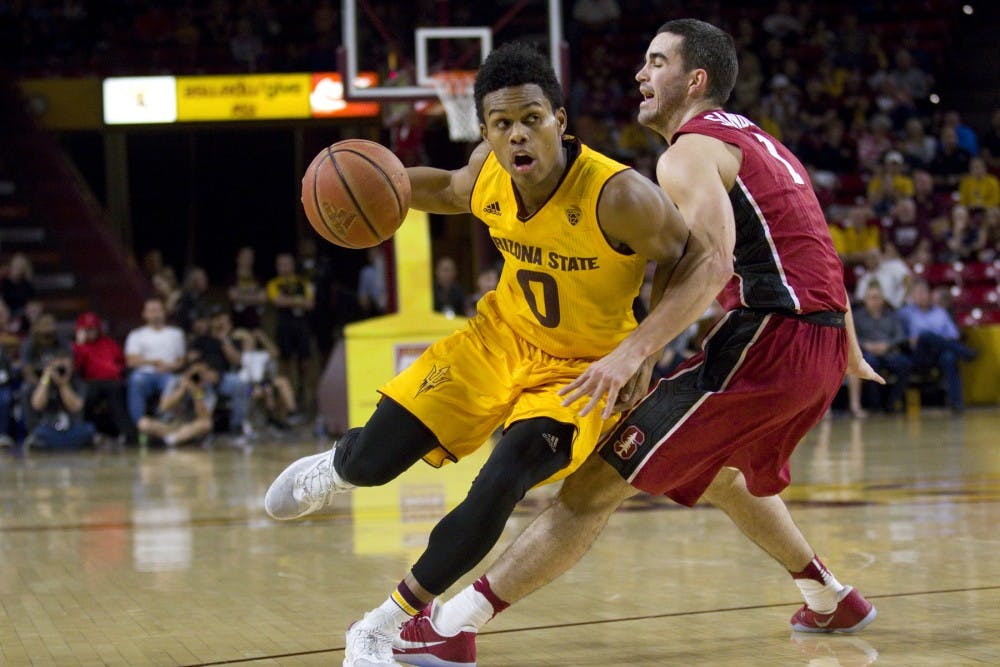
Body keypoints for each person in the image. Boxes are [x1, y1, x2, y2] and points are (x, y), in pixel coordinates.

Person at [391, 21, 883, 667]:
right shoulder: (755, 139)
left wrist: (629, 353)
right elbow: (812, 242)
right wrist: (843, 341)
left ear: (694, 80)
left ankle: (453, 624)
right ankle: (827, 596)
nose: (640, 77)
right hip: (804, 344)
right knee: (727, 478)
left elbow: (709, 263)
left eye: (656, 63)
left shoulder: (688, 151)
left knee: (591, 487)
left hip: (771, 340)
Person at [264, 42, 689, 667]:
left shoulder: (619, 196)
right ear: (485, 130)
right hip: (497, 341)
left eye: (532, 120)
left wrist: (642, 353)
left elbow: (686, 258)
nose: (517, 136)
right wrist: (374, 191)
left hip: (580, 372)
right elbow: (451, 189)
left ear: (560, 121)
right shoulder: (489, 170)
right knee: (375, 465)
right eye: (501, 124)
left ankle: (383, 625)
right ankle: (338, 467)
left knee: (502, 480)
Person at [897, 278, 976, 412]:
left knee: (949, 357)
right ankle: (965, 353)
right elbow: (899, 336)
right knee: (925, 335)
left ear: (930, 294)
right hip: (919, 355)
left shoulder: (940, 312)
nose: (922, 295)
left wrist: (940, 340)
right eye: (918, 293)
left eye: (924, 292)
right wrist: (909, 340)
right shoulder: (905, 313)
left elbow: (953, 335)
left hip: (939, 352)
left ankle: (956, 403)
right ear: (912, 296)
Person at [848, 282, 913, 415]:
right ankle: (875, 405)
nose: (875, 301)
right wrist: (867, 345)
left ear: (883, 299)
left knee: (905, 364)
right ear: (865, 299)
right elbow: (852, 337)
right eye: (871, 297)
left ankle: (893, 402)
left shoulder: (891, 315)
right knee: (871, 364)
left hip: (888, 352)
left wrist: (887, 344)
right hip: (867, 353)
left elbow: (900, 335)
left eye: (877, 297)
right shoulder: (858, 316)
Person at [72, 311, 136, 444]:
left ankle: (128, 435)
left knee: (116, 392)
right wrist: (80, 345)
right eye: (86, 329)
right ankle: (82, 433)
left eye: (93, 328)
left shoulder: (109, 343)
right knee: (87, 396)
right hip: (89, 383)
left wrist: (118, 371)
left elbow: (121, 362)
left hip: (113, 382)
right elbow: (75, 367)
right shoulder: (77, 347)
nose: (90, 332)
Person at [124, 297, 187, 425]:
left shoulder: (176, 334)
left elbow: (181, 361)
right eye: (151, 310)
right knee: (136, 380)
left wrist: (168, 366)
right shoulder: (136, 335)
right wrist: (154, 362)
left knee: (174, 382)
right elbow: (131, 361)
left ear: (164, 312)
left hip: (169, 373)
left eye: (158, 310)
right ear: (144, 314)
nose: (155, 313)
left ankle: (168, 423)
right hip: (144, 373)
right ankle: (140, 424)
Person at [266, 253, 315, 406]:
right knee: (285, 362)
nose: (285, 267)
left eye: (288, 264)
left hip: (301, 326)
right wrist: (298, 301)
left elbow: (310, 304)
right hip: (284, 326)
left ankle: (304, 394)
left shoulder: (303, 282)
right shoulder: (273, 284)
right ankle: (288, 395)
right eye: (282, 264)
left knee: (305, 363)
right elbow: (277, 301)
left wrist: (290, 301)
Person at [24, 351, 96, 450]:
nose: (61, 371)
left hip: (73, 429)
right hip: (49, 429)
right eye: (58, 368)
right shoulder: (45, 383)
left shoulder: (78, 383)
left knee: (89, 430)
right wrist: (46, 378)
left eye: (64, 369)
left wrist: (63, 384)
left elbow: (75, 407)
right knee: (38, 434)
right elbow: (37, 404)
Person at [136, 360, 216, 447]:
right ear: (187, 373)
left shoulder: (209, 390)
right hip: (171, 424)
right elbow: (163, 407)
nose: (197, 377)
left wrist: (196, 393)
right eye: (195, 374)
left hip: (190, 427)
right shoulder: (175, 381)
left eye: (201, 374)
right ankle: (176, 439)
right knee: (143, 423)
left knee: (206, 424)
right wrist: (181, 390)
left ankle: (172, 440)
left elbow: (204, 417)